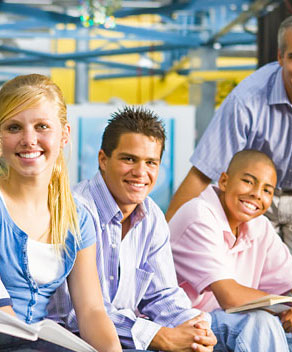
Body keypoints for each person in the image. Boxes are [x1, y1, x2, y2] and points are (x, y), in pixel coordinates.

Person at [165, 11, 292, 298]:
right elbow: (202, 173)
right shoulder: (247, 98)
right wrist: (159, 245)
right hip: (258, 198)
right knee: (250, 295)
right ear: (280, 57)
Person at [48, 106, 218, 351]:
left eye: (151, 162)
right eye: (129, 159)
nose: (140, 173)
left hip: (126, 339)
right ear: (103, 160)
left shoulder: (152, 218)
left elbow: (163, 296)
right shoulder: (74, 209)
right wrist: (157, 336)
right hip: (67, 341)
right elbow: (74, 312)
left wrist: (194, 329)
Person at [169, 149, 292, 352]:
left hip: (233, 327)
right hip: (189, 326)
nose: (256, 194)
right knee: (260, 322)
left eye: (267, 190)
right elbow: (230, 296)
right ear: (224, 181)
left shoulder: (259, 226)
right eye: (248, 181)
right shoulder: (199, 214)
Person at [0, 74, 123, 352]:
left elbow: (91, 310)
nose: (29, 139)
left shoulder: (76, 217)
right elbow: (4, 319)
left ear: (64, 134)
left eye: (42, 126)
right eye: (14, 127)